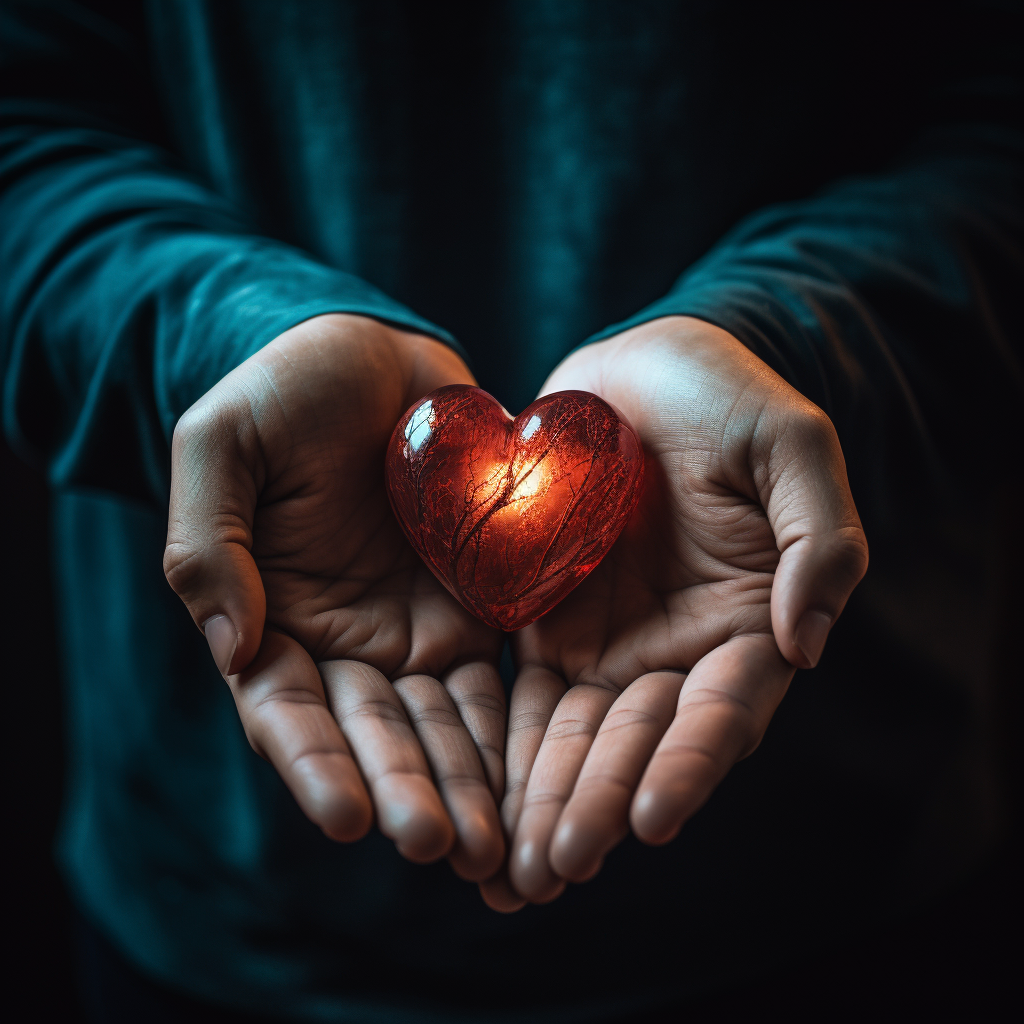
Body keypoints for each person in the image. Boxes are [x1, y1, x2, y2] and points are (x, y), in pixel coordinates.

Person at [1, 1, 1020, 1020]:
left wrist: (794, 337)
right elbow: (28, 118)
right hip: (210, 888)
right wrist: (220, 337)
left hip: (847, 875)